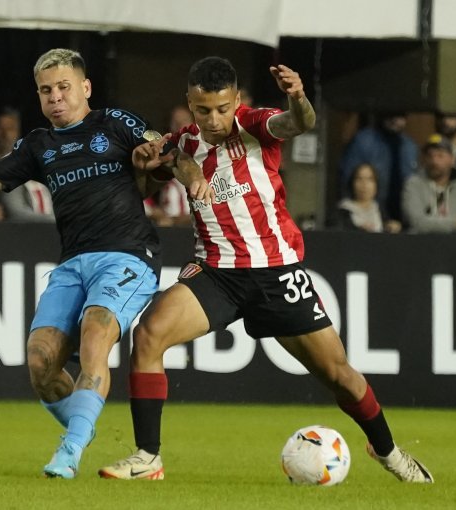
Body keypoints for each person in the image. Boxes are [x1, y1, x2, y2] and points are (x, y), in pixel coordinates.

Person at [98, 56, 433, 483]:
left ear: (236, 100)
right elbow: (150, 180)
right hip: (216, 271)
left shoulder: (255, 124)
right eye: (203, 110)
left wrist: (298, 99)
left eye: (222, 108)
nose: (215, 119)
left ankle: (388, 452)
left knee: (339, 376)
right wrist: (145, 166)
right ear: (189, 103)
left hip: (275, 270)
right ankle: (149, 457)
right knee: (148, 335)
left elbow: (298, 124)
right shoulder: (181, 142)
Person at [0, 48, 200, 479]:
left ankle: (70, 450)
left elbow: (165, 151)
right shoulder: (39, 144)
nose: (55, 97)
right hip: (73, 262)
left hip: (128, 254)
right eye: (46, 90)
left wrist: (182, 174)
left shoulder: (116, 123)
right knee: (40, 362)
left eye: (64, 87)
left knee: (96, 332)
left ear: (85, 88)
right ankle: (81, 425)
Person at [339, 111, 418, 222]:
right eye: (390, 115)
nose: (395, 120)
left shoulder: (410, 146)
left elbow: (413, 182)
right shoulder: (364, 141)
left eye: (400, 116)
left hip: (403, 214)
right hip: (369, 213)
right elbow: (347, 180)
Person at [329, 163, 401, 233]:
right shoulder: (342, 211)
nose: (364, 184)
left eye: (370, 179)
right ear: (352, 183)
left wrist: (392, 227)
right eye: (359, 179)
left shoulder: (380, 210)